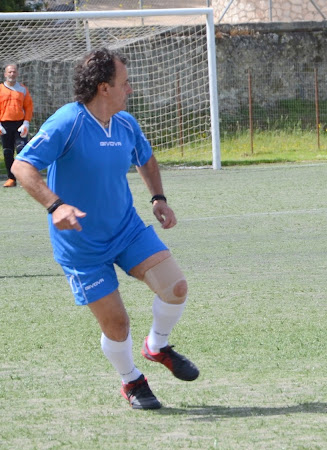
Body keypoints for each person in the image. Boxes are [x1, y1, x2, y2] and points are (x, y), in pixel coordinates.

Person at [11, 48, 199, 410]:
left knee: (175, 288)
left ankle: (157, 346)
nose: (130, 89)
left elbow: (145, 158)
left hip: (127, 230)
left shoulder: (125, 123)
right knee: (117, 325)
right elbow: (22, 167)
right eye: (124, 83)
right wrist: (56, 205)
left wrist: (158, 198)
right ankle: (131, 380)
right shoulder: (68, 122)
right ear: (104, 88)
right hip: (81, 246)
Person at [0, 63, 34, 187]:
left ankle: (24, 179)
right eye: (9, 72)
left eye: (14, 71)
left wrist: (26, 123)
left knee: (22, 150)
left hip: (20, 124)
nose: (12, 74)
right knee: (7, 152)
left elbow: (29, 106)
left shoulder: (22, 89)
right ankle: (11, 178)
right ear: (5, 74)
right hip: (4, 125)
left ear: (17, 73)